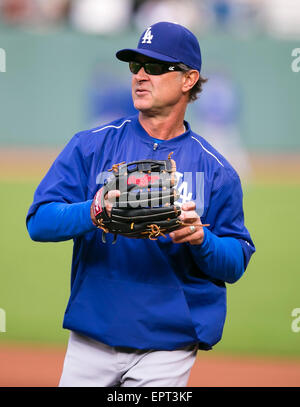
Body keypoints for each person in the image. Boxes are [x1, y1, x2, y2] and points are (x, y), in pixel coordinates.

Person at [26, 21, 255, 387]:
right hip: (92, 338)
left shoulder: (217, 170)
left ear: (188, 79)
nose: (141, 76)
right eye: (136, 66)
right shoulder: (91, 145)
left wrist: (201, 240)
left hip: (168, 347)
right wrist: (93, 211)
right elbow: (38, 222)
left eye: (156, 66)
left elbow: (234, 262)